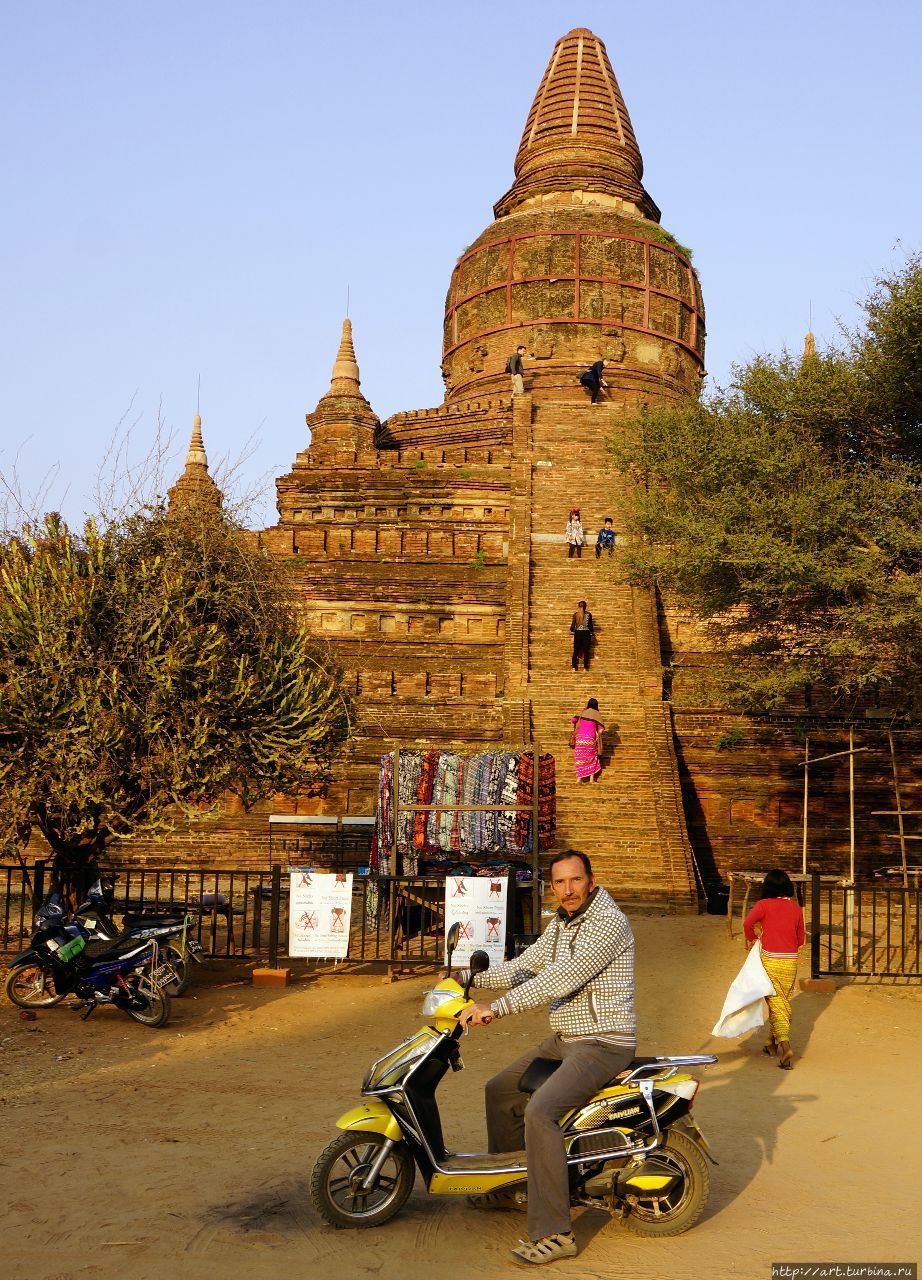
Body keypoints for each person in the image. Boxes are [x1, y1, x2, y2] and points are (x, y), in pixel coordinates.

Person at [459, 850, 636, 1266]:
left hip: (602, 1042)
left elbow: (561, 977)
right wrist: (467, 977)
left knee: (540, 1112)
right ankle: (509, 1186)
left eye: (575, 881)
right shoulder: (563, 923)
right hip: (565, 1038)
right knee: (500, 1089)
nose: (568, 890)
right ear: (551, 887)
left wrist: (495, 1008)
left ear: (591, 880)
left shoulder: (607, 924)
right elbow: (526, 967)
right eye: (559, 883)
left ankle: (555, 1233)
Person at [743, 868, 805, 1070]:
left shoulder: (763, 905)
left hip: (770, 959)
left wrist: (753, 939)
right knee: (781, 1002)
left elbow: (747, 923)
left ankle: (786, 1046)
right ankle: (771, 1045)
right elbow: (801, 938)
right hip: (791, 960)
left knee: (776, 1002)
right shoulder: (795, 908)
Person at [570, 698, 603, 783]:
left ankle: (579, 778)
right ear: (596, 705)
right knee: (592, 758)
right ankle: (591, 779)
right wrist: (597, 733)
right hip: (590, 739)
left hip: (580, 739)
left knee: (580, 758)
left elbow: (572, 720)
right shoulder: (597, 714)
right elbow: (601, 729)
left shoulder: (582, 712)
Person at [569, 600, 593, 671]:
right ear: (585, 607)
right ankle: (585, 668)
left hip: (578, 633)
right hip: (586, 634)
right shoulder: (589, 614)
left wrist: (572, 630)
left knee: (575, 650)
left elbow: (572, 627)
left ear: (578, 606)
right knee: (586, 651)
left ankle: (574, 667)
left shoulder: (576, 614)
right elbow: (591, 627)